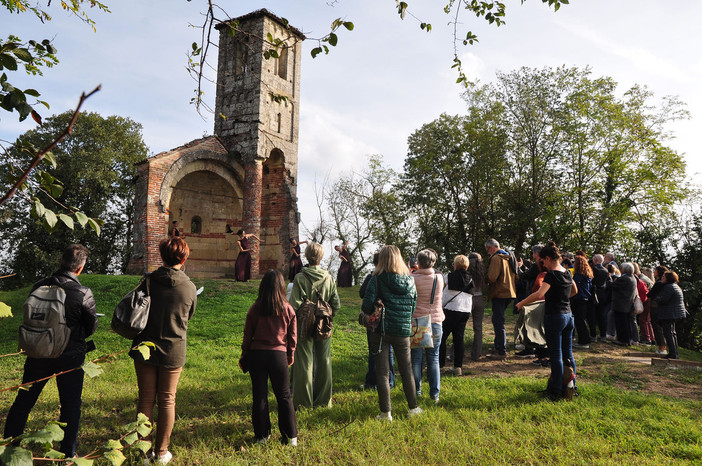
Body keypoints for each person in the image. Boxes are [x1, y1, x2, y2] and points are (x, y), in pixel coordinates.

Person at [4, 244, 98, 458]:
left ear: (60, 262)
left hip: (38, 354)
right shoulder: (82, 292)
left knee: (24, 401)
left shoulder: (38, 286)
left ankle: (9, 446)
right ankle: (67, 454)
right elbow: (92, 327)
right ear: (80, 268)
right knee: (71, 405)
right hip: (70, 357)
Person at [130, 237, 197, 465]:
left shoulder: (147, 281)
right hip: (173, 349)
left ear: (162, 256)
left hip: (144, 348)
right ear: (184, 257)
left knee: (146, 399)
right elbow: (189, 317)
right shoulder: (189, 287)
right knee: (167, 400)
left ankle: (144, 451)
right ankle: (161, 452)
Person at [361, 245, 422, 421]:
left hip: (380, 330)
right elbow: (412, 307)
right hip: (402, 329)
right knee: (406, 369)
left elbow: (366, 306)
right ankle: (413, 408)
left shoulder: (376, 279)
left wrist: (376, 305)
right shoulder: (410, 280)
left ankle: (386, 413)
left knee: (382, 372)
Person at [240, 270, 298, 445]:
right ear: (281, 287)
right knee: (284, 396)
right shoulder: (288, 309)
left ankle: (262, 435)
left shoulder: (255, 308)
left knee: (259, 396)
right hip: (278, 355)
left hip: (257, 355)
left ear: (262, 286)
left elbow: (247, 335)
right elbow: (293, 336)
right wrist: (290, 354)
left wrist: (244, 354)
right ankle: (291, 437)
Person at [516, 241, 577, 401]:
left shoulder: (552, 274)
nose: (543, 265)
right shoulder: (566, 272)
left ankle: (555, 390)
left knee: (555, 355)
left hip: (555, 317)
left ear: (548, 258)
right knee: (568, 353)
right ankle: (572, 387)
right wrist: (562, 297)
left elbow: (538, 294)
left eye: (543, 262)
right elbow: (574, 290)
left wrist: (521, 303)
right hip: (568, 316)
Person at [289, 242, 340, 409]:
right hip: (323, 322)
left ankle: (303, 402)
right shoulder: (329, 277)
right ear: (321, 257)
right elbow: (336, 304)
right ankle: (324, 401)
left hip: (303, 323)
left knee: (304, 361)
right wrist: (327, 315)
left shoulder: (300, 278)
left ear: (306, 257)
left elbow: (293, 305)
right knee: (324, 360)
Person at [410, 249, 444, 402]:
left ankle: (416, 390)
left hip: (418, 321)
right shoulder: (439, 278)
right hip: (435, 321)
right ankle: (434, 394)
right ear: (434, 261)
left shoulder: (412, 278)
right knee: (434, 359)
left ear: (418, 262)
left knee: (416, 359)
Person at [359, 252, 395, 390]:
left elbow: (362, 294)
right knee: (389, 351)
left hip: (376, 318)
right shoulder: (395, 277)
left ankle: (372, 383)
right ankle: (390, 381)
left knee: (374, 350)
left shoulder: (373, 277)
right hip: (391, 318)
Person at [439, 255, 473, 375]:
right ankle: (458, 367)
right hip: (465, 310)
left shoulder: (448, 276)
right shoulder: (471, 278)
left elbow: (441, 290)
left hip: (451, 309)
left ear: (455, 265)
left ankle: (440, 366)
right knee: (459, 339)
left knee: (442, 338)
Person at [485, 239, 517, 358]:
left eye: (487, 250)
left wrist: (485, 280)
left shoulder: (496, 258)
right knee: (498, 320)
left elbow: (492, 277)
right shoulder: (509, 256)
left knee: (498, 322)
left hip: (499, 292)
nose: (488, 253)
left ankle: (501, 351)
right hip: (510, 292)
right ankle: (498, 346)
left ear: (491, 248)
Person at [655, 271, 688, 360]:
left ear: (668, 278)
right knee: (672, 333)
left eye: (664, 277)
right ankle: (674, 353)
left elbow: (664, 300)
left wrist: (657, 298)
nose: (662, 278)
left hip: (670, 313)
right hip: (675, 313)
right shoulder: (675, 286)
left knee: (668, 333)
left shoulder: (668, 287)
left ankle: (673, 354)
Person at [610, 262, 638, 346]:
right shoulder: (632, 277)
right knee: (626, 323)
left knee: (621, 323)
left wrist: (610, 277)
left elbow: (612, 285)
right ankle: (627, 339)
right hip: (627, 304)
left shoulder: (624, 279)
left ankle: (623, 340)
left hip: (621, 304)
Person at [571, 255, 594, 349]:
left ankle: (583, 341)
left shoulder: (578, 275)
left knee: (579, 320)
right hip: (585, 298)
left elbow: (575, 287)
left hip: (578, 298)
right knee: (582, 320)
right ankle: (585, 339)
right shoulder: (588, 274)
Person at [468, 252, 486, 361]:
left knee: (460, 327)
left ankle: (453, 353)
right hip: (480, 299)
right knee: (478, 328)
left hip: (469, 299)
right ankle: (477, 354)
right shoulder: (482, 272)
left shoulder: (467, 272)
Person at [648, 266, 669, 355]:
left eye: (655, 271)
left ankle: (662, 347)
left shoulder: (659, 283)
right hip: (661, 308)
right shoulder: (665, 284)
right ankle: (662, 347)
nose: (653, 272)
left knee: (657, 327)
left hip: (655, 307)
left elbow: (650, 294)